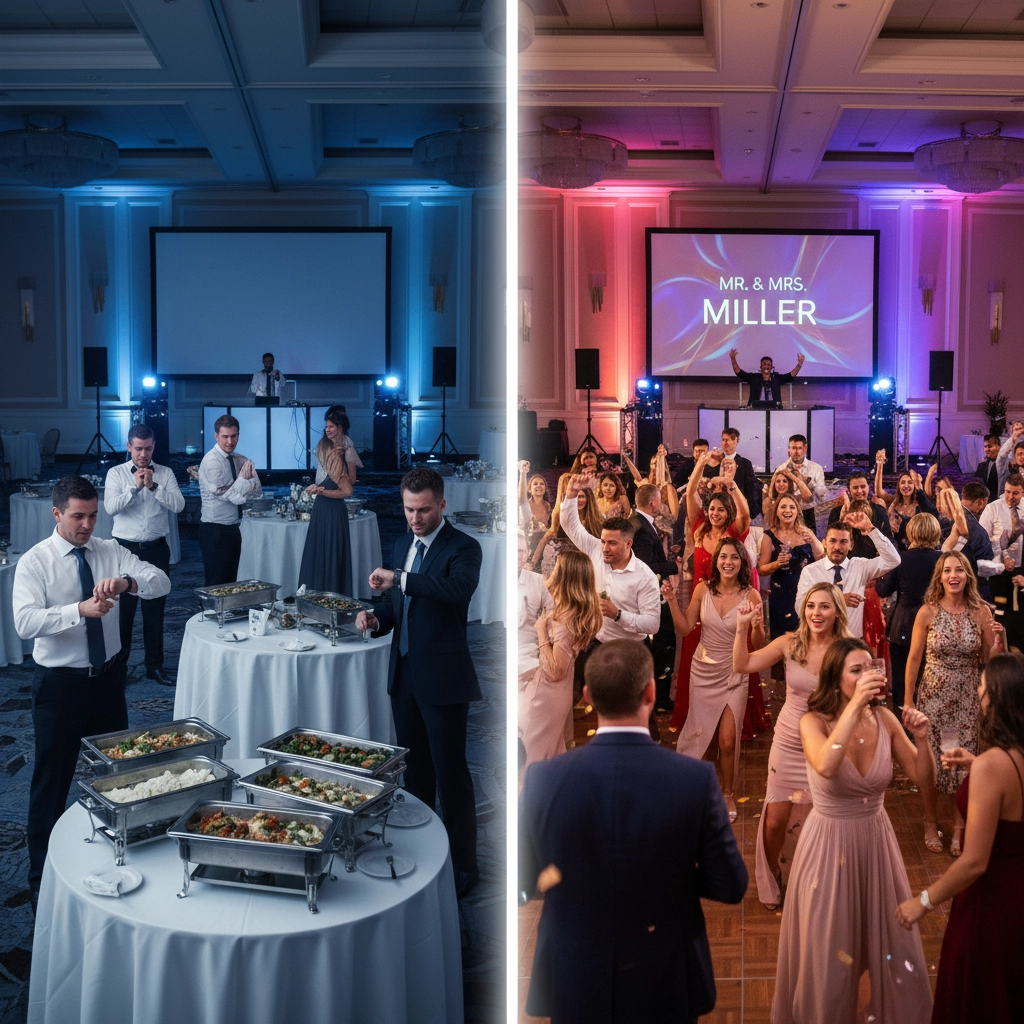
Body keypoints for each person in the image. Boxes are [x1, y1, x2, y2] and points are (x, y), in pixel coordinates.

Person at [519, 640, 748, 1024]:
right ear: (651, 692)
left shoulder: (543, 779)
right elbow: (731, 885)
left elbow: (522, 886)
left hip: (575, 971)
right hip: (665, 973)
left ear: (588, 696)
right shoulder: (694, 779)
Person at [12, 475, 170, 904]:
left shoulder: (109, 551)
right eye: (78, 516)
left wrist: (126, 583)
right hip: (60, 686)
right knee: (52, 783)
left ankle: (122, 862)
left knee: (119, 778)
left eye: (93, 515)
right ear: (56, 513)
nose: (87, 525)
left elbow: (161, 582)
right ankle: (41, 885)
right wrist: (77, 611)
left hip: (108, 681)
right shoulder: (35, 562)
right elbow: (24, 623)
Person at [772, 638, 935, 1024]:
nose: (867, 676)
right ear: (835, 679)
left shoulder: (886, 720)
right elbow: (827, 764)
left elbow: (924, 778)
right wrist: (857, 705)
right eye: (856, 670)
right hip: (828, 846)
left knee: (887, 942)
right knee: (829, 948)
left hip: (876, 842)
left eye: (870, 668)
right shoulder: (811, 722)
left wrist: (923, 740)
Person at [354, 468, 482, 898]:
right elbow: (398, 607)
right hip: (404, 674)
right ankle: (427, 857)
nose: (415, 518)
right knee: (417, 775)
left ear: (442, 505)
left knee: (452, 776)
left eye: (424, 509)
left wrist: (400, 580)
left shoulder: (465, 548)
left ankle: (466, 866)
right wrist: (376, 618)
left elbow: (454, 591)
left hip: (444, 678)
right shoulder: (401, 543)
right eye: (409, 509)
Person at [895, 651, 1024, 1024]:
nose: (978, 693)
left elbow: (973, 862)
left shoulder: (993, 766)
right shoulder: (1011, 757)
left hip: (990, 906)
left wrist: (922, 901)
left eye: (982, 688)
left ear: (995, 699)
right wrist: (975, 765)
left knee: (977, 995)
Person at [732, 582, 850, 908]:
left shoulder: (848, 650)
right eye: (811, 606)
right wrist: (742, 628)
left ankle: (810, 880)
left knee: (814, 823)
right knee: (774, 820)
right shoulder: (790, 643)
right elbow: (742, 665)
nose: (816, 612)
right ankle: (773, 878)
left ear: (837, 611)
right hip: (787, 742)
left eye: (824, 606)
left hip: (824, 745)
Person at [904, 551, 1002, 856]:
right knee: (932, 762)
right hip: (933, 698)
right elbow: (914, 659)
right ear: (940, 576)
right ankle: (930, 821)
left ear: (968, 576)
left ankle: (960, 827)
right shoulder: (927, 612)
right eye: (947, 570)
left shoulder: (981, 612)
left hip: (968, 699)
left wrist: (998, 642)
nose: (953, 575)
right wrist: (908, 700)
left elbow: (990, 661)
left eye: (959, 570)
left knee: (963, 764)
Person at [664, 536, 764, 821]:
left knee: (728, 741)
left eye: (734, 557)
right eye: (723, 557)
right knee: (702, 738)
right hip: (703, 670)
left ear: (741, 562)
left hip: (735, 672)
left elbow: (758, 642)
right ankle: (702, 789)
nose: (728, 562)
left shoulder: (752, 596)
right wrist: (671, 600)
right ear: (716, 561)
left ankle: (728, 792)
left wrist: (755, 626)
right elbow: (684, 629)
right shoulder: (701, 590)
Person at [669, 451, 751, 734]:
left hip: (728, 600)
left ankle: (729, 712)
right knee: (695, 652)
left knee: (731, 655)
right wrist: (701, 463)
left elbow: (746, 513)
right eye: (712, 509)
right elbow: (691, 491)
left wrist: (731, 484)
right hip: (700, 598)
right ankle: (699, 715)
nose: (715, 514)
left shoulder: (734, 532)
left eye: (720, 510)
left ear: (727, 513)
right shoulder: (698, 526)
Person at [103, 423, 184, 686]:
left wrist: (154, 487)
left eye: (148, 448)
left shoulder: (166, 473)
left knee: (155, 610)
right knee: (123, 614)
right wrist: (135, 488)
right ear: (129, 447)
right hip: (124, 550)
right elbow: (110, 508)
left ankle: (154, 666)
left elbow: (179, 505)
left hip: (156, 549)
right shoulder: (115, 474)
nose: (143, 454)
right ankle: (119, 666)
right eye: (138, 448)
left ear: (153, 447)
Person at [518, 549, 602, 766]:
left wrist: (541, 632)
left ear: (565, 575)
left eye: (556, 567)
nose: (552, 570)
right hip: (559, 693)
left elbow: (555, 670)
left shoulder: (564, 619)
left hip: (544, 695)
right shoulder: (573, 611)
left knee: (529, 757)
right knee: (549, 755)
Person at [874, 513, 943, 716]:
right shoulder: (942, 559)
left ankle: (901, 728)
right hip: (934, 625)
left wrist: (879, 577)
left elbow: (883, 591)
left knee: (903, 680)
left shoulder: (900, 559)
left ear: (910, 532)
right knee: (928, 678)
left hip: (903, 626)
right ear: (935, 532)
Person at [795, 514, 900, 640]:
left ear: (851, 545)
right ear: (824, 543)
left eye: (843, 542)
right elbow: (799, 607)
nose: (837, 547)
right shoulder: (810, 571)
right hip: (820, 641)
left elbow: (893, 560)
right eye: (833, 541)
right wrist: (837, 600)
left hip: (853, 642)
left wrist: (871, 529)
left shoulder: (860, 566)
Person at [631, 482, 680, 715]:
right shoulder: (640, 529)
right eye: (659, 500)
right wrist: (673, 565)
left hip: (647, 593)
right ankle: (658, 697)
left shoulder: (637, 522)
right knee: (663, 642)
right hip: (650, 596)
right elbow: (647, 567)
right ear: (654, 503)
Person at [297, 405, 356, 595]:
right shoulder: (324, 446)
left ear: (340, 427)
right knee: (320, 552)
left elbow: (350, 485)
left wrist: (339, 473)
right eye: (326, 426)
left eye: (331, 426)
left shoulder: (347, 447)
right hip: (324, 506)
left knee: (333, 551)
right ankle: (319, 595)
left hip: (333, 506)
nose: (327, 429)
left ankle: (333, 595)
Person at [197, 414, 262, 586]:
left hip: (233, 527)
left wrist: (246, 484)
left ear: (238, 436)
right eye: (225, 436)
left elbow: (258, 492)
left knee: (231, 581)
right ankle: (210, 613)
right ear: (216, 436)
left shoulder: (238, 459)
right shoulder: (212, 462)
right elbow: (234, 498)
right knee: (216, 583)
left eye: (234, 436)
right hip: (214, 530)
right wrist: (244, 480)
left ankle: (227, 613)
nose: (230, 441)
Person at [758, 493, 823, 641]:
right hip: (780, 596)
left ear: (797, 511)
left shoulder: (806, 532)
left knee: (807, 640)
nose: (788, 510)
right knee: (781, 641)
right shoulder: (769, 536)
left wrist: (813, 541)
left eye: (792, 507)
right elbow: (761, 569)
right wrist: (777, 563)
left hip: (807, 594)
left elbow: (821, 557)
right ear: (777, 511)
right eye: (783, 507)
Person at [980, 472, 1024, 652]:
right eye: (1007, 492)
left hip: (1021, 571)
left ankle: (1015, 655)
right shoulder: (993, 508)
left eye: (1015, 493)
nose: (1010, 497)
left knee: (1017, 618)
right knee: (999, 612)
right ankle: (995, 652)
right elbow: (984, 540)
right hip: (998, 572)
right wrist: (1003, 557)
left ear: (1023, 492)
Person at [531, 480, 603, 580]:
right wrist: (532, 563)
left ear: (588, 498)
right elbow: (545, 538)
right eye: (576, 497)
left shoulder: (597, 522)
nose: (578, 500)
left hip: (587, 569)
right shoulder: (563, 519)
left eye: (581, 496)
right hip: (563, 568)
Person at [874, 453, 937, 551]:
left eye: (910, 482)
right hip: (897, 550)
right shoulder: (892, 502)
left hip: (918, 550)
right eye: (903, 482)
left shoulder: (922, 504)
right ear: (898, 486)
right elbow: (879, 491)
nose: (906, 486)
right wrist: (880, 466)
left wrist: (929, 474)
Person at [827, 469, 894, 549]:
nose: (859, 491)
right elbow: (831, 541)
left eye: (863, 486)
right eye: (855, 487)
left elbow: (889, 540)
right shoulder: (836, 512)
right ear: (849, 490)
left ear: (868, 487)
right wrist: (841, 520)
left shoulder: (879, 510)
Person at [703, 427, 761, 518]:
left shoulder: (745, 464)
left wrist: (749, 512)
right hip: (715, 511)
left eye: (729, 439)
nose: (725, 442)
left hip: (736, 510)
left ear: (736, 441)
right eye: (723, 439)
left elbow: (751, 489)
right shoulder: (712, 463)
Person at [729, 348, 805, 408]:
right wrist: (733, 359)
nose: (766, 366)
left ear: (771, 367)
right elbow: (739, 373)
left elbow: (790, 376)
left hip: (775, 409)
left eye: (769, 365)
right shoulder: (754, 378)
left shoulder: (776, 378)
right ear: (761, 366)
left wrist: (799, 364)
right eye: (764, 364)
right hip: (755, 409)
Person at [780, 434, 826, 530]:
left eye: (799, 448)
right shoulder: (782, 469)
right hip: (786, 513)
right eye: (793, 448)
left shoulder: (816, 469)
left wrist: (807, 482)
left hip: (808, 513)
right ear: (789, 449)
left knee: (810, 543)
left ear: (805, 448)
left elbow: (821, 494)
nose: (796, 452)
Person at [517, 461, 551, 557]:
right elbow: (521, 496)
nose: (539, 486)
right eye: (535, 484)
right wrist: (523, 473)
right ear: (529, 489)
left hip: (543, 548)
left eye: (542, 484)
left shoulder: (547, 505)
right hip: (526, 548)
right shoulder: (525, 504)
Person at [995, 419, 1024, 493]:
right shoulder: (1006, 468)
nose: (1022, 457)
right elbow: (1001, 456)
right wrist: (1013, 439)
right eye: (1019, 454)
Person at [975, 432, 1001, 500]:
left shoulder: (1005, 465)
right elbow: (976, 484)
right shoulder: (981, 466)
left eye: (990, 446)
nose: (986, 449)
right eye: (985, 446)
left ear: (998, 447)